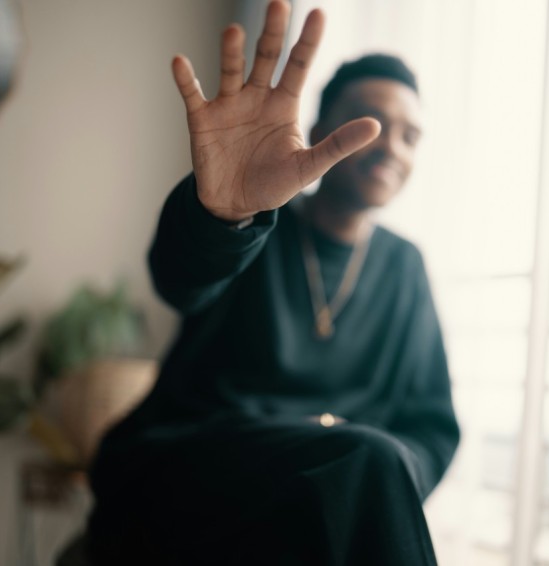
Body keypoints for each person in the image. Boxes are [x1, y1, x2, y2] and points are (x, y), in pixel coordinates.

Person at [86, 2, 459, 564]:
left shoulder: (404, 266)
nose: (391, 146)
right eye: (370, 122)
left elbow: (432, 426)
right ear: (317, 128)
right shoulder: (258, 220)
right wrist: (223, 215)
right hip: (193, 463)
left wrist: (378, 476)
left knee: (363, 472)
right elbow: (181, 281)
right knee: (365, 465)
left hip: (325, 490)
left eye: (410, 136)